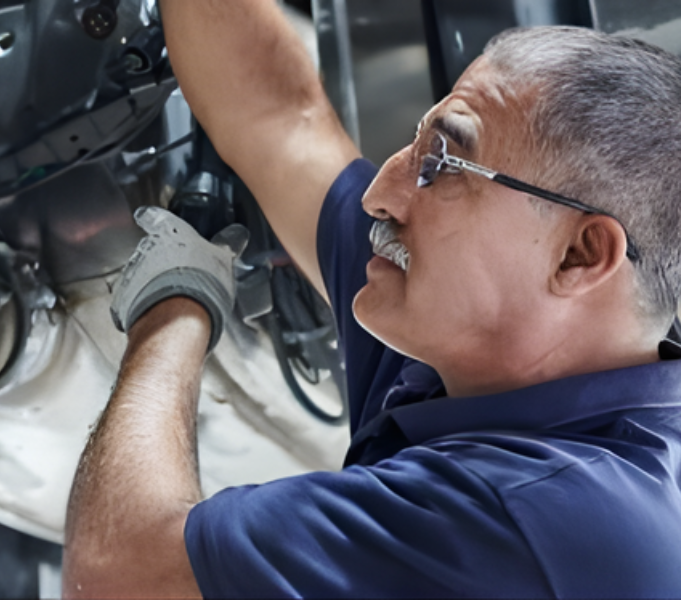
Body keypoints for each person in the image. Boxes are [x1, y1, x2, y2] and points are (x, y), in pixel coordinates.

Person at [63, 1, 681, 597]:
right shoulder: (480, 359)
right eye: (418, 144)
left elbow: (120, 576)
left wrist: (174, 309)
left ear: (580, 255)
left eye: (442, 163)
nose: (380, 194)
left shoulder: (536, 515)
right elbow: (280, 120)